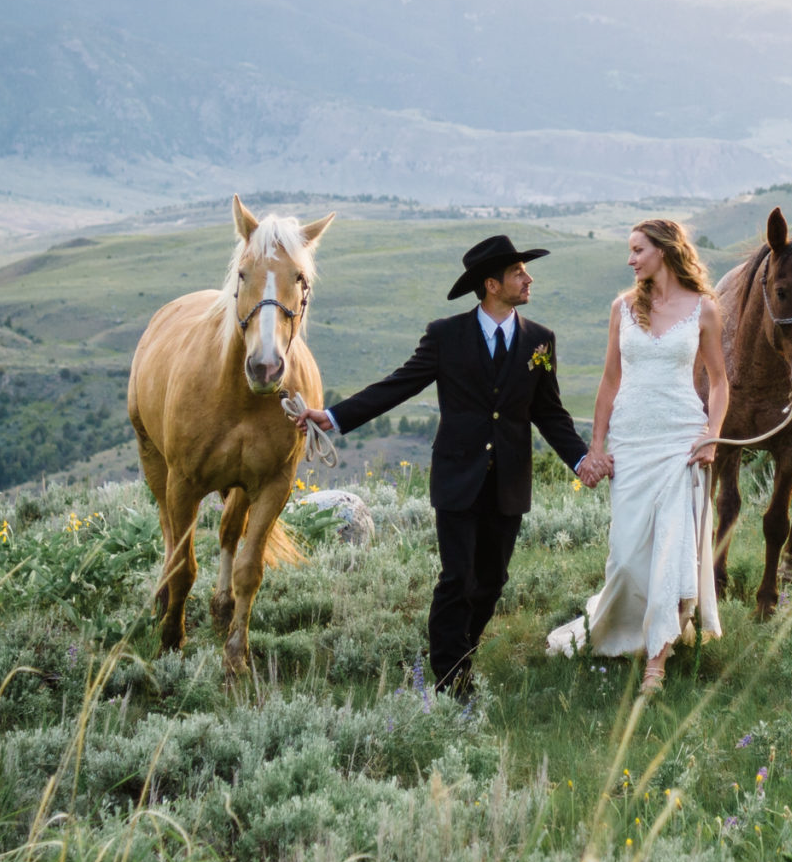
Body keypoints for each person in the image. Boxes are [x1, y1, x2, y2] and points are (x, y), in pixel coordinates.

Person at [298, 233, 591, 695]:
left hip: (510, 483)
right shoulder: (446, 335)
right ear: (492, 284)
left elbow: (550, 413)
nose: (528, 278)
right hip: (458, 478)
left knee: (492, 581)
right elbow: (399, 385)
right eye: (518, 272)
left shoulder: (540, 340)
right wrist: (333, 417)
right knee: (458, 578)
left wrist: (581, 459)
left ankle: (460, 656)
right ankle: (452, 680)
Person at [547, 219, 729, 694]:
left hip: (680, 442)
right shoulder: (623, 308)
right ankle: (620, 629)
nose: (630, 260)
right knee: (628, 559)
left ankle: (657, 661)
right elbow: (610, 381)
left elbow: (720, 381)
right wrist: (597, 445)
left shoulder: (704, 309)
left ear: (664, 251)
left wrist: (712, 435)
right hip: (631, 441)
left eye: (637, 250)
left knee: (672, 549)